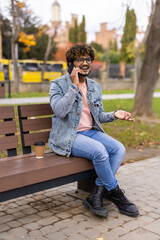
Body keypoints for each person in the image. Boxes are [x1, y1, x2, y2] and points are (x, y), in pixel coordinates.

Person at [48, 43, 139, 218]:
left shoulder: (95, 86)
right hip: (68, 136)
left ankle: (97, 194)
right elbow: (59, 111)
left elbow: (97, 116)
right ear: (71, 63)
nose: (85, 63)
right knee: (100, 152)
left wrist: (114, 114)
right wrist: (74, 87)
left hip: (89, 132)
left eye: (88, 59)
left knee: (119, 148)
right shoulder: (58, 84)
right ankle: (116, 193)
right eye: (80, 59)